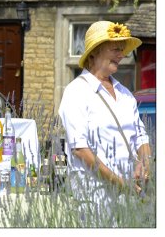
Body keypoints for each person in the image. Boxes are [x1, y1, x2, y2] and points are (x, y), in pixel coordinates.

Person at [58, 21, 152, 225]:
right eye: (116, 49)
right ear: (94, 52)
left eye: (122, 49)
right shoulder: (76, 92)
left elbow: (141, 137)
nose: (121, 54)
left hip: (130, 193)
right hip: (94, 196)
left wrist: (144, 164)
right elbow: (80, 149)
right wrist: (119, 183)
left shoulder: (125, 93)